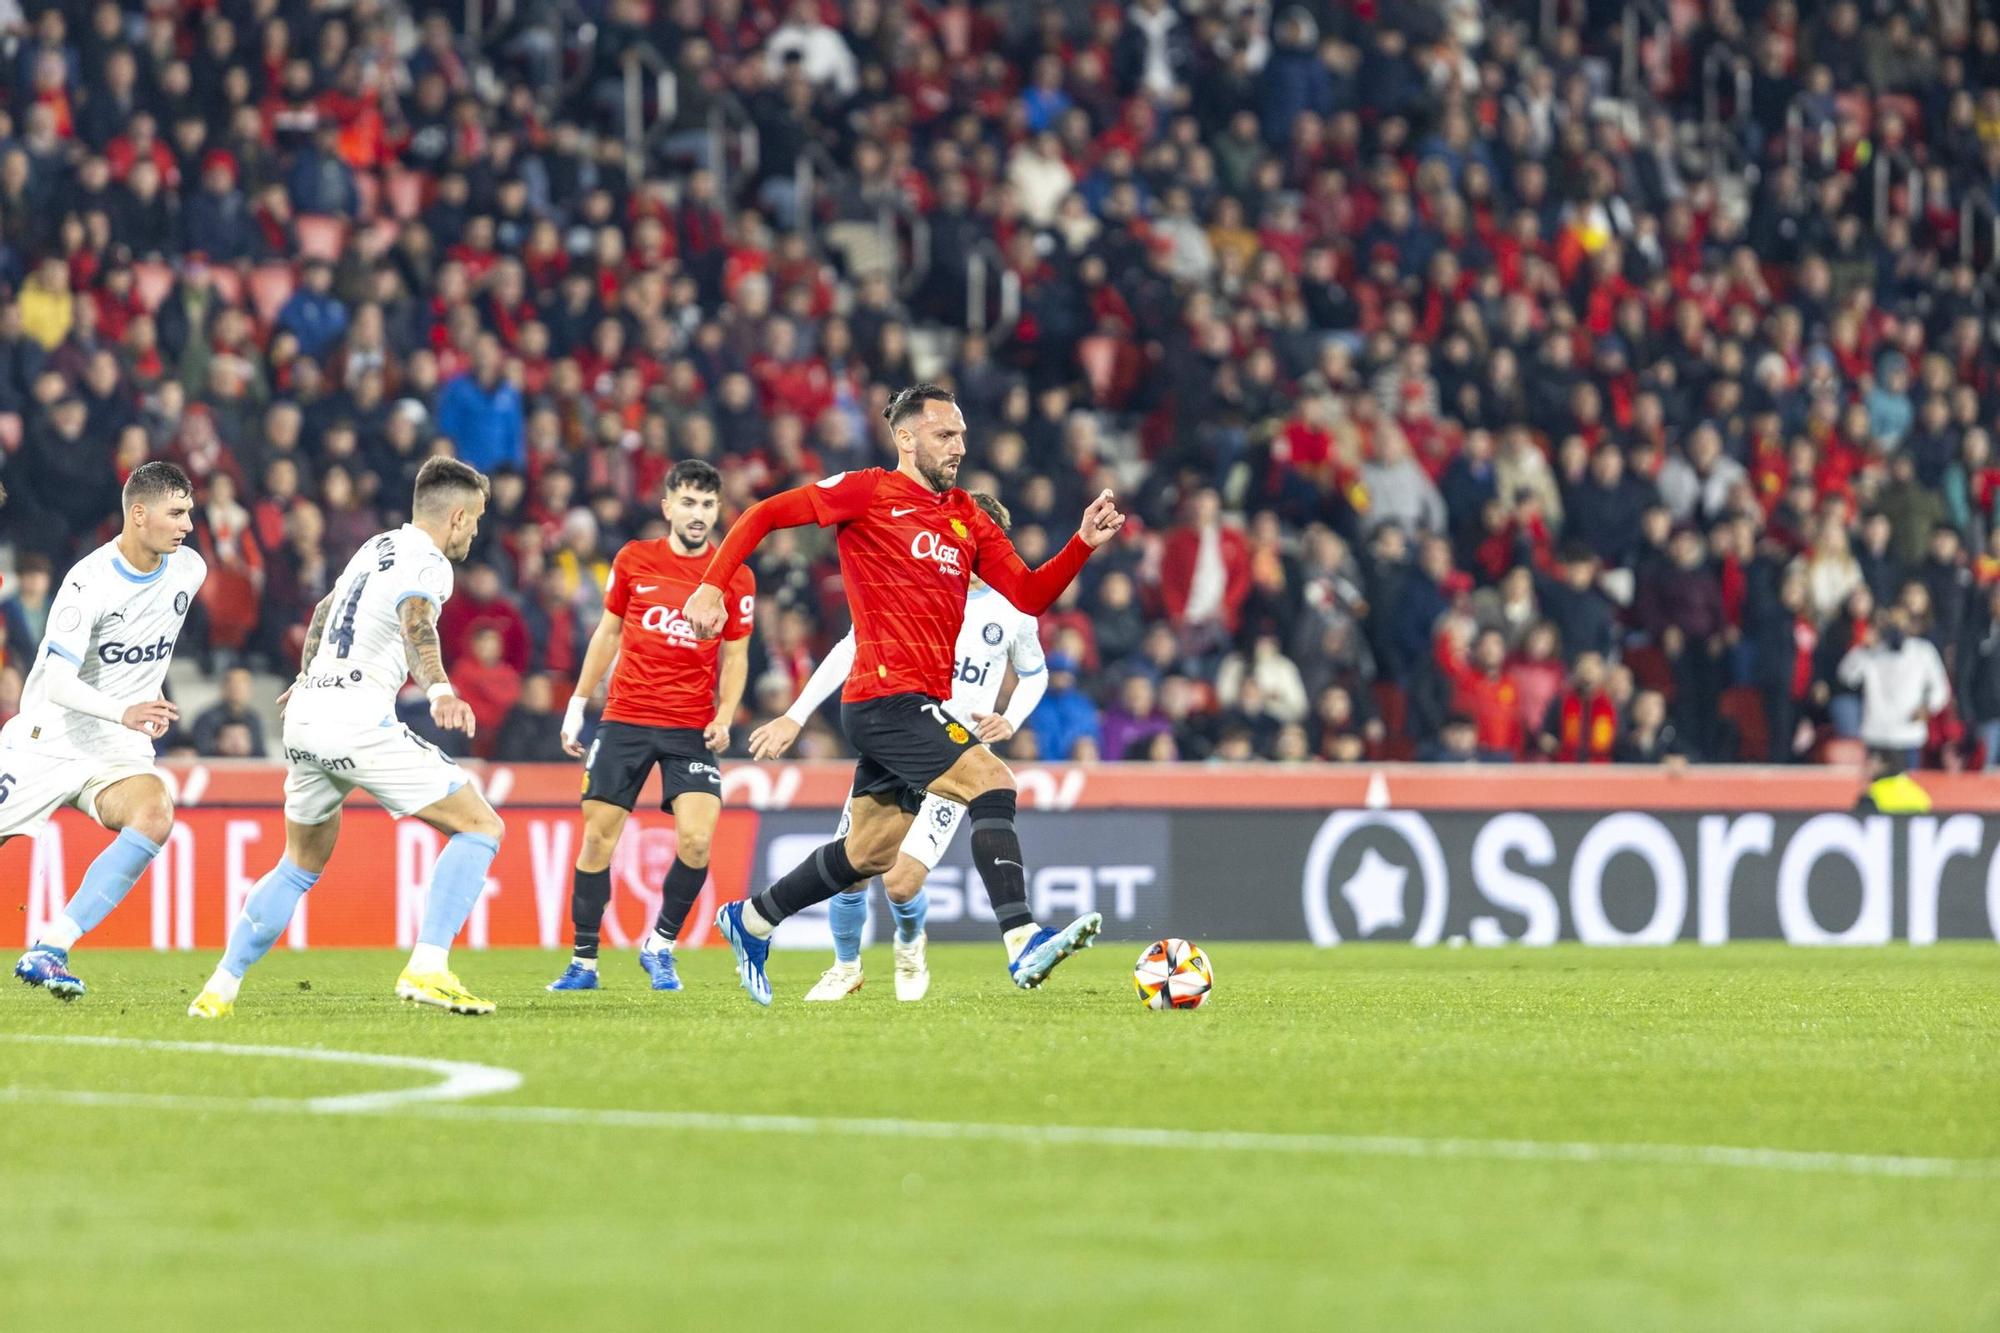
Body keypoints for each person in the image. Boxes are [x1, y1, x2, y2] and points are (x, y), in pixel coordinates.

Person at [684, 383, 1123, 1004]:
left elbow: (1026, 596)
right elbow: (761, 515)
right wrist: (711, 587)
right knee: (993, 784)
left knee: (870, 850)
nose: (959, 446)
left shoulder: (968, 516)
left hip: (920, 703)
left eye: (963, 435)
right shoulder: (867, 491)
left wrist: (1081, 544)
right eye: (946, 435)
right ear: (906, 438)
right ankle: (1021, 937)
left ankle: (752, 920)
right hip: (883, 699)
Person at [187, 458, 504, 1018]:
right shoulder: (429, 562)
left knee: (299, 863)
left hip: (308, 715)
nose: (475, 532)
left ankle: (220, 987)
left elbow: (324, 610)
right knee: (481, 825)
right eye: (475, 520)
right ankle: (429, 968)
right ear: (456, 517)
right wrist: (440, 693)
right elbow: (416, 623)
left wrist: (307, 677)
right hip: (358, 715)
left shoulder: (375, 546)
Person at [748, 492, 1048, 1003]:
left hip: (958, 756)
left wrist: (1010, 718)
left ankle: (910, 943)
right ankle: (845, 966)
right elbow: (851, 648)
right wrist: (796, 715)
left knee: (902, 883)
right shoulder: (914, 586)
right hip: (898, 736)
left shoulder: (1012, 611)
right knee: (856, 864)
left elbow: (1035, 674)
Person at [545, 459, 755, 994]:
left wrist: (725, 715)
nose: (698, 514)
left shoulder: (735, 574)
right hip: (626, 720)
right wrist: (577, 703)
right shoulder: (635, 559)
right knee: (597, 839)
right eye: (688, 502)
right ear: (667, 507)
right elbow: (607, 635)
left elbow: (735, 658)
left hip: (689, 727)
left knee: (698, 840)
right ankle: (584, 962)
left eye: (708, 504)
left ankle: (660, 946)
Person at [9, 463, 206, 999]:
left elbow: (146, 642)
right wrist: (124, 709)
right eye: (177, 512)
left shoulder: (189, 570)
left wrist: (138, 704)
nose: (188, 523)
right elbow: (55, 683)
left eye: (189, 511)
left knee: (155, 812)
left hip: (116, 745)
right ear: (138, 515)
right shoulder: (87, 582)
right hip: (48, 738)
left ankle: (50, 950)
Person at [1837, 605, 1950, 778]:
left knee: (1906, 793)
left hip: (1909, 735)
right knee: (1876, 793)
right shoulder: (1872, 652)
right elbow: (1846, 676)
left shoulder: (1922, 651)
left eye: (1901, 623)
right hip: (1877, 734)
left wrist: (1928, 708)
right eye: (1892, 623)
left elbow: (1941, 689)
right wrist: (1863, 648)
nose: (1897, 628)